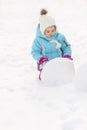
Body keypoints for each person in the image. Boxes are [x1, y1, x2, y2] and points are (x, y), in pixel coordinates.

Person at [31, 9, 73, 80]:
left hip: (59, 61)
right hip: (45, 63)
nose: (51, 33)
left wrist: (67, 55)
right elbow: (35, 52)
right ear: (42, 31)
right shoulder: (38, 40)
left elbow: (66, 47)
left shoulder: (60, 37)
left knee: (61, 76)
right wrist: (41, 59)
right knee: (45, 78)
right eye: (48, 31)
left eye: (53, 30)